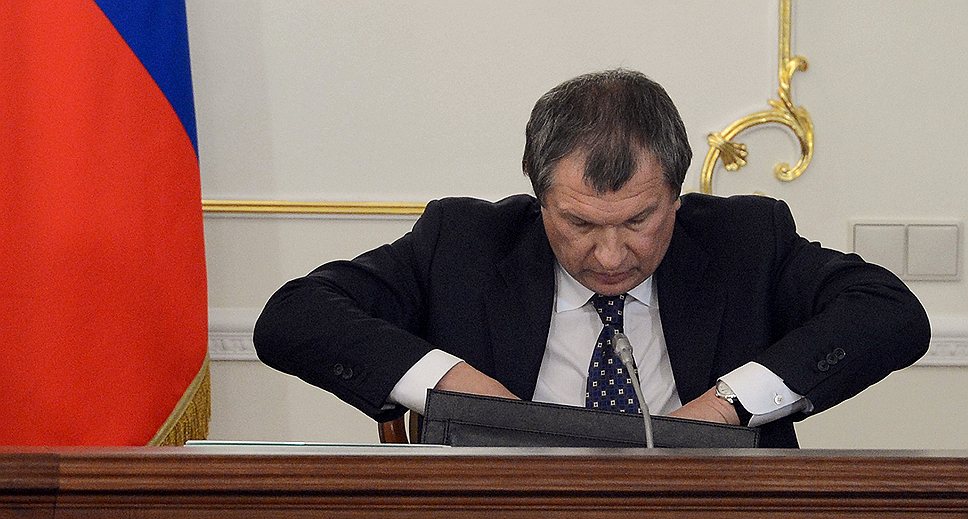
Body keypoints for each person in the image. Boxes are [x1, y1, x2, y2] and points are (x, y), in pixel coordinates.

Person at [253, 69, 930, 448]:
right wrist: (452, 383)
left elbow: (890, 314)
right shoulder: (463, 243)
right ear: (538, 196)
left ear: (677, 194)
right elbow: (295, 317)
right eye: (577, 222)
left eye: (639, 220)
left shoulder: (745, 241)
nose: (609, 255)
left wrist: (726, 406)